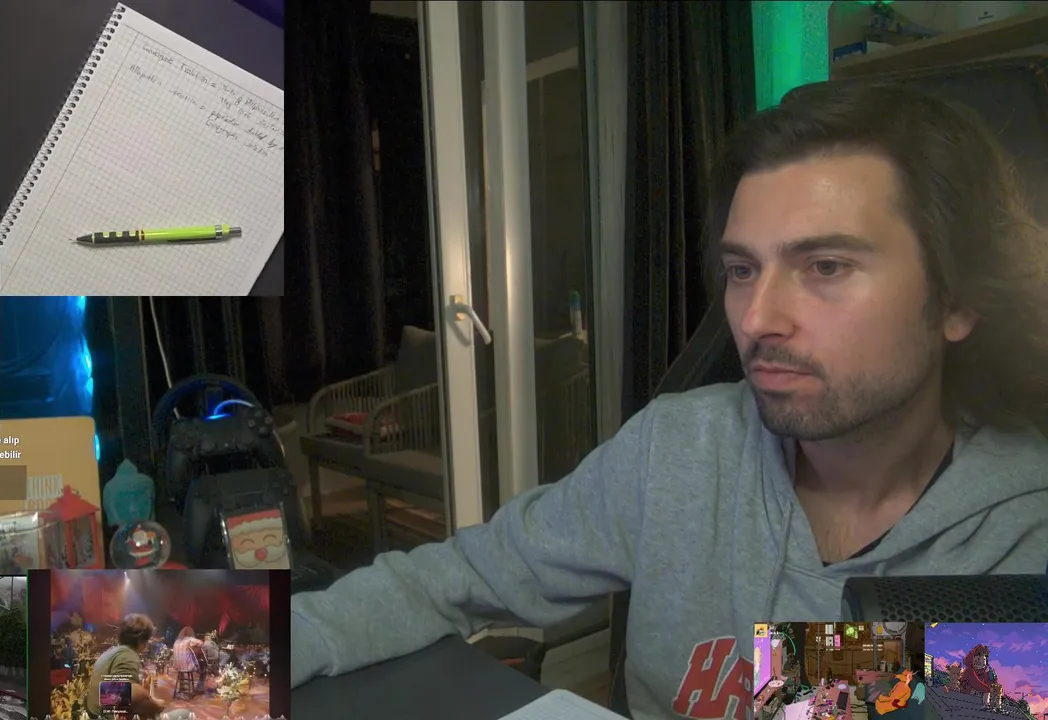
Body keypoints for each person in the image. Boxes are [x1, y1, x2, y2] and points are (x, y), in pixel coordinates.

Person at [290, 81, 1048, 719]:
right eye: (742, 270)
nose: (756, 318)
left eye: (825, 266)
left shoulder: (1022, 534)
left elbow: (935, 693)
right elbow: (460, 574)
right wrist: (234, 651)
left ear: (958, 300)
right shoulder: (679, 447)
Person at [85, 614, 166, 719]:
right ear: (141, 639)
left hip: (96, 715)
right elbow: (125, 693)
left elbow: (109, 691)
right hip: (108, 717)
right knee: (183, 713)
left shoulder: (111, 652)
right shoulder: (128, 654)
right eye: (147, 640)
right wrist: (155, 704)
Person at [170, 627, 199, 700]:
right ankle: (199, 686)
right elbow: (201, 643)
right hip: (187, 667)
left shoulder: (176, 642)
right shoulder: (189, 640)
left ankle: (182, 687)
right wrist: (195, 647)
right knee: (199, 663)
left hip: (177, 666)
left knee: (185, 662)